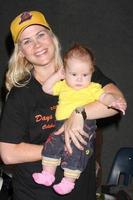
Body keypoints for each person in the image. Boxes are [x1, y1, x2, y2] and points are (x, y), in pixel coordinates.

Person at [0, 10, 126, 200]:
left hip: (83, 192)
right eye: (27, 41)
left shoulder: (78, 69)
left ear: (52, 37)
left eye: (41, 35)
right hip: (36, 195)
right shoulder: (20, 95)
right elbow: (8, 154)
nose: (37, 45)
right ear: (21, 52)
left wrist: (79, 113)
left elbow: (116, 100)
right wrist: (59, 147)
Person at [32, 44, 126, 195]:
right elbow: (46, 89)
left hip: (83, 126)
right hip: (61, 125)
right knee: (51, 146)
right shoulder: (63, 85)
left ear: (91, 73)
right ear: (65, 72)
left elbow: (104, 96)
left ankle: (69, 181)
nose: (79, 79)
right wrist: (57, 76)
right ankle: (48, 174)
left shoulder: (93, 88)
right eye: (74, 74)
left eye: (85, 75)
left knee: (75, 151)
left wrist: (113, 101)